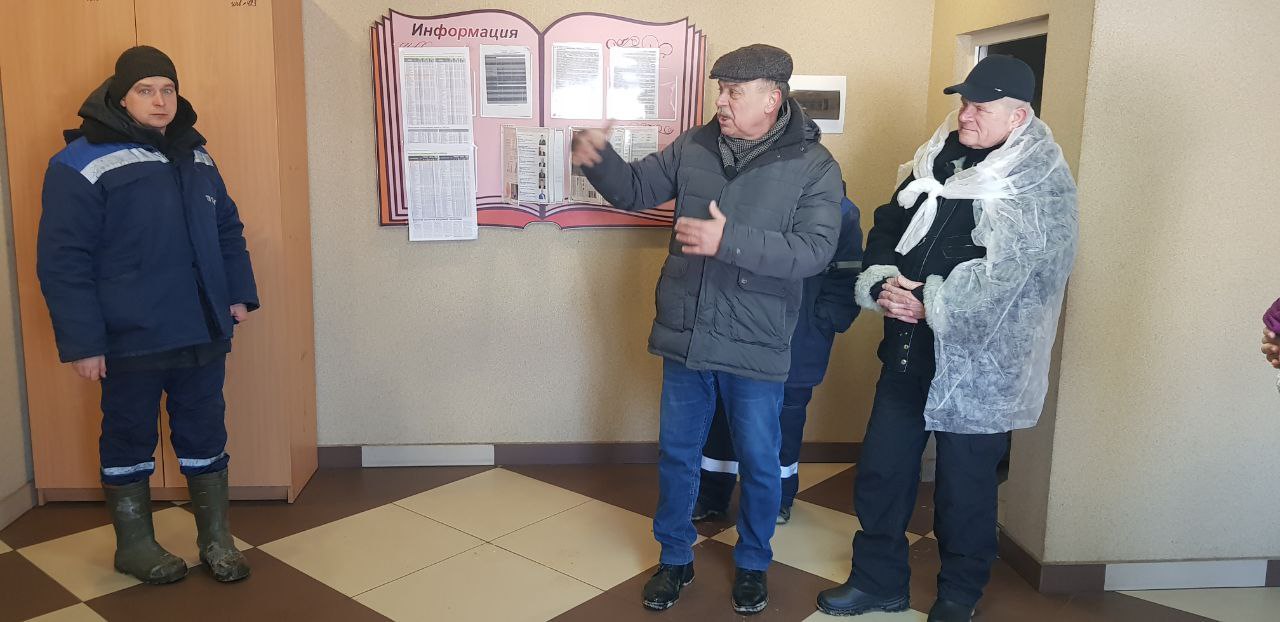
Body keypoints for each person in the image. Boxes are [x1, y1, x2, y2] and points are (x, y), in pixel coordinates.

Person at [572, 43, 842, 614]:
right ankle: (674, 558)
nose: (721, 101)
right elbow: (636, 189)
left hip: (756, 338)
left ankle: (753, 564)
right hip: (688, 330)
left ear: (772, 98)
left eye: (734, 91)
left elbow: (815, 251)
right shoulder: (695, 145)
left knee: (760, 463)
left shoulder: (814, 165)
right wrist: (599, 158)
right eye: (720, 89)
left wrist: (729, 241)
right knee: (677, 454)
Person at [814, 55, 1078, 621]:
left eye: (980, 107)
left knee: (965, 488)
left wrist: (932, 301)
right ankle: (878, 582)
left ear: (1018, 115)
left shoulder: (1039, 181)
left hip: (979, 369)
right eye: (963, 103)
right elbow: (890, 223)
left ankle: (959, 594)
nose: (965, 115)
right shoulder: (938, 157)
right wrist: (883, 282)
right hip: (907, 350)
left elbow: (1021, 278)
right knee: (883, 471)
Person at [37, 46, 258, 584]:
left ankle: (216, 539)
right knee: (128, 436)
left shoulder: (197, 156)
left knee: (205, 431)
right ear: (121, 97)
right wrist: (84, 343)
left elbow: (227, 229)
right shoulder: (80, 162)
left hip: (201, 329)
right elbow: (63, 259)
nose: (160, 101)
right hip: (130, 337)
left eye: (167, 89)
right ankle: (135, 547)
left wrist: (237, 293)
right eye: (145, 90)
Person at [693, 191, 862, 525]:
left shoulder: (841, 210)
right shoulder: (752, 192)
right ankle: (712, 495)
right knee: (724, 413)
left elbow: (848, 275)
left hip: (801, 338)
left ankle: (779, 499)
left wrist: (824, 322)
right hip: (742, 330)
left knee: (787, 418)